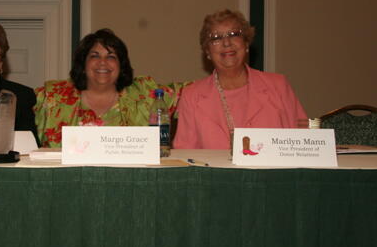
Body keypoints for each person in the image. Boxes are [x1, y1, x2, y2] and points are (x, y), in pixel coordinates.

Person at [173, 9, 307, 149]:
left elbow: (305, 142)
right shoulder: (191, 96)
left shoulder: (278, 86)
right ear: (207, 52)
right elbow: (185, 155)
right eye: (216, 38)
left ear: (246, 44)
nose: (226, 43)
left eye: (234, 34)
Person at [35, 28, 183, 148]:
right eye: (95, 56)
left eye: (111, 57)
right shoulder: (53, 96)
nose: (103, 63)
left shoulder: (144, 93)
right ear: (83, 64)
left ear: (121, 65)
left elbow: (192, 93)